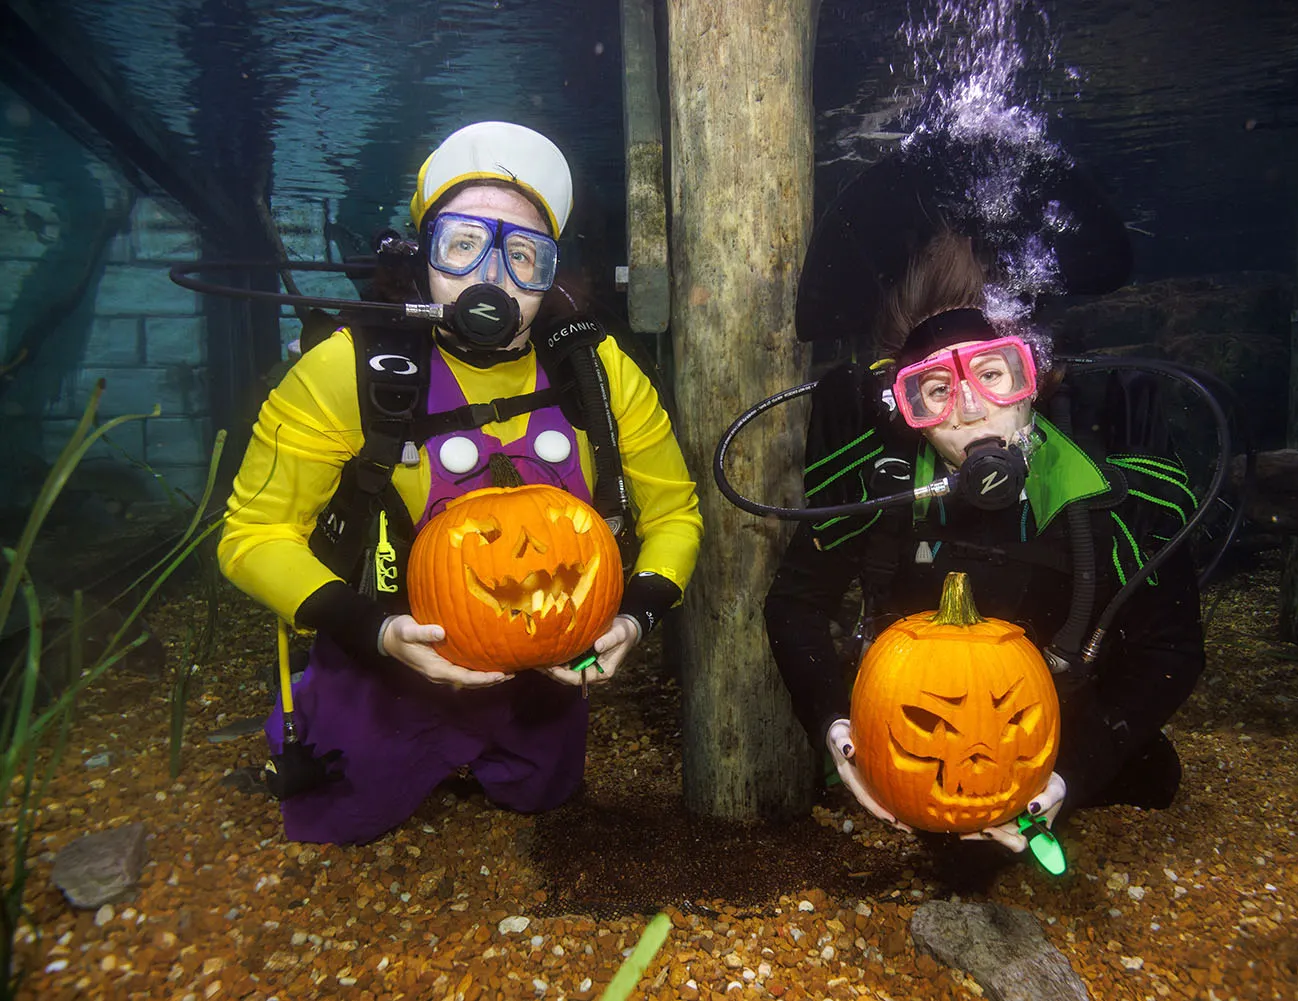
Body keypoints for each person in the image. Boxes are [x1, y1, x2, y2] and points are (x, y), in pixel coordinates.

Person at [218, 121, 703, 845]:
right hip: (381, 668)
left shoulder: (596, 371)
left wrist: (637, 615)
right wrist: (375, 631)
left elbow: (677, 512)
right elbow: (252, 535)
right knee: (339, 820)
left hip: (543, 673)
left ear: (552, 273)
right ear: (423, 255)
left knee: (548, 792)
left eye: (524, 255)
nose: (492, 277)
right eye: (463, 244)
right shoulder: (346, 372)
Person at [763, 230, 1205, 856]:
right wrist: (838, 729)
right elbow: (795, 604)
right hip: (914, 728)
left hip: (1057, 728)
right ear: (908, 405)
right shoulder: (877, 484)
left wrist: (1071, 775)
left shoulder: (1118, 501)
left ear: (1034, 379)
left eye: (994, 375)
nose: (971, 409)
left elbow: (1173, 650)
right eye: (937, 390)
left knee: (1150, 780)